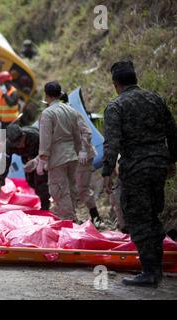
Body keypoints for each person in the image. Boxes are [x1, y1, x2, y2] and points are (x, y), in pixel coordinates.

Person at [102, 61, 177, 288]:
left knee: (138, 218)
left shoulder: (116, 106)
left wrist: (107, 172)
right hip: (158, 166)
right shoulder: (155, 99)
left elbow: (112, 143)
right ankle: (155, 269)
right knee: (153, 215)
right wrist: (172, 160)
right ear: (135, 78)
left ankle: (149, 271)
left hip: (135, 169)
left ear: (116, 84)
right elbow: (173, 132)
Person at [38, 82, 81, 221]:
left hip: (57, 157)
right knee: (71, 188)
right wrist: (78, 151)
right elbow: (77, 134)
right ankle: (73, 215)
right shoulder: (71, 110)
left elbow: (45, 138)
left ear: (46, 95)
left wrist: (42, 159)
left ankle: (68, 220)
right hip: (72, 154)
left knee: (59, 190)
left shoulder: (48, 113)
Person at [60, 92, 101, 224]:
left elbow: (86, 132)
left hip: (82, 157)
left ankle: (96, 218)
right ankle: (73, 218)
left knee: (82, 189)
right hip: (72, 157)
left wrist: (83, 150)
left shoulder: (71, 113)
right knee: (72, 188)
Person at [0, 124, 50, 210]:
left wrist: (37, 160)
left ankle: (45, 206)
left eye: (20, 142)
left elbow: (48, 149)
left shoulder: (35, 136)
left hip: (41, 157)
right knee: (31, 181)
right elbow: (4, 163)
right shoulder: (9, 145)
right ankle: (45, 194)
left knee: (41, 182)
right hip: (27, 159)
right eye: (17, 145)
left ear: (23, 135)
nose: (21, 146)